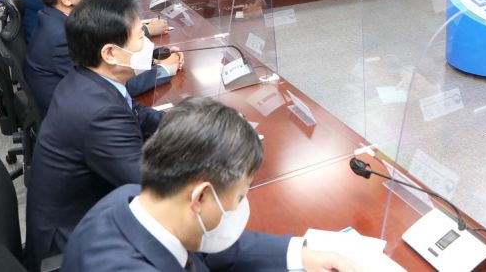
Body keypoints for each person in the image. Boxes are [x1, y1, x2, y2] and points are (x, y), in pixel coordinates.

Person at [61, 97, 360, 271]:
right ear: (200, 196)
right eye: (240, 196)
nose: (241, 207)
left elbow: (205, 249)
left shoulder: (134, 200)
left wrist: (301, 255)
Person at [25, 0, 175, 271]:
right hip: (72, 241)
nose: (149, 44)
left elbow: (135, 111)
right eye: (140, 37)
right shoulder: (99, 112)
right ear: (110, 53)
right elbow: (152, 185)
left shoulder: (88, 78)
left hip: (83, 211)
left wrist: (185, 124)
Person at [26, 0, 181, 116]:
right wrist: (163, 69)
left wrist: (152, 57)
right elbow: (108, 84)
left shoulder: (57, 18)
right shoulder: (60, 38)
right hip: (83, 119)